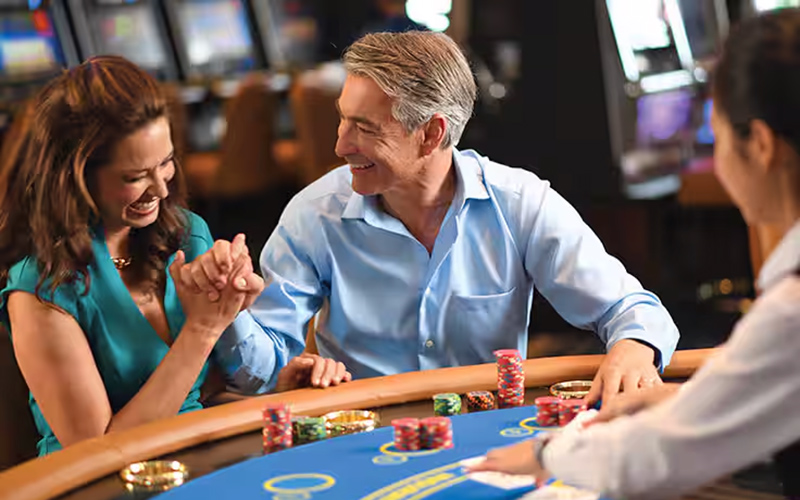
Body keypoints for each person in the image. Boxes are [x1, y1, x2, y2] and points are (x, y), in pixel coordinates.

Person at [180, 31, 679, 405]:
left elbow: (636, 311)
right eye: (341, 118)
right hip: (363, 440)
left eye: (364, 128)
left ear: (431, 133)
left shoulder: (520, 203)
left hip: (488, 435)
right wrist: (227, 315)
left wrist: (633, 348)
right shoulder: (313, 214)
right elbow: (260, 373)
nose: (338, 145)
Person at [468, 9, 800, 500]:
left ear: (763, 145)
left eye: (717, 131)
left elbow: (662, 457)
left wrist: (545, 455)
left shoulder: (791, 308)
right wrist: (686, 401)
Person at [0, 56, 349, 456]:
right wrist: (201, 330)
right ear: (74, 176)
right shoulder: (42, 289)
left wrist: (281, 384)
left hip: (195, 458)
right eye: (134, 177)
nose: (161, 190)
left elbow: (204, 389)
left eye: (165, 163)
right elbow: (97, 453)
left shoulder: (184, 234)